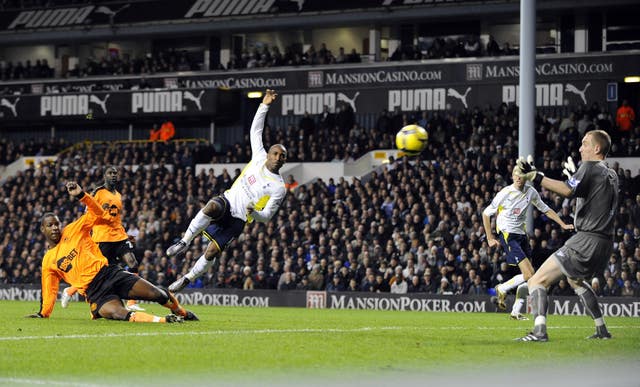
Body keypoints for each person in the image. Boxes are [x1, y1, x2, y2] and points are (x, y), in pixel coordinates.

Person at [166, 89, 287, 292]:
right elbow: (255, 130)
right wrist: (264, 105)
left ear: (284, 161)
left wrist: (253, 213)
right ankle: (184, 241)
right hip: (228, 201)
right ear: (269, 155)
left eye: (282, 156)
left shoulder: (279, 187)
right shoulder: (259, 156)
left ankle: (187, 278)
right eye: (275, 153)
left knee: (212, 252)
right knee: (212, 206)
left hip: (239, 219)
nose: (277, 157)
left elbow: (266, 217)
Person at [26, 181, 198, 323]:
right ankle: (165, 320)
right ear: (43, 229)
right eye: (50, 225)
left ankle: (182, 313)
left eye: (57, 223)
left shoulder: (73, 229)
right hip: (95, 292)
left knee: (158, 294)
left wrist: (81, 196)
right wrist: (43, 313)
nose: (55, 227)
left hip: (110, 273)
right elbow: (49, 288)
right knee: (119, 313)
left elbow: (99, 213)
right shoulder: (48, 260)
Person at [515, 129, 618, 341]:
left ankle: (539, 332)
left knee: (537, 281)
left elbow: (567, 191)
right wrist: (574, 178)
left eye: (585, 143)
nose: (580, 148)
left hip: (586, 240)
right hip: (605, 243)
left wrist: (536, 176)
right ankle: (601, 330)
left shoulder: (589, 167)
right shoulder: (611, 174)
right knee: (576, 281)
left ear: (597, 148)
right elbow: (586, 194)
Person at [482, 168, 574, 320]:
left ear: (526, 177)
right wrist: (490, 237)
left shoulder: (531, 191)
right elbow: (486, 213)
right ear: (512, 176)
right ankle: (502, 288)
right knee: (529, 274)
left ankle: (516, 311)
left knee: (531, 277)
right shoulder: (505, 193)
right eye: (516, 175)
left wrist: (562, 224)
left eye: (522, 175)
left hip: (521, 236)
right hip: (507, 235)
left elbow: (545, 209)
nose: (519, 178)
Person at [60, 166, 145, 312]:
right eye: (110, 173)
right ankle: (70, 291)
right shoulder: (98, 192)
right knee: (97, 272)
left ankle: (131, 303)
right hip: (102, 237)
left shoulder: (118, 195)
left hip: (119, 236)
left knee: (133, 262)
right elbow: (89, 212)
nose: (113, 176)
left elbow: (116, 218)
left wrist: (126, 234)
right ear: (104, 176)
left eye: (115, 173)